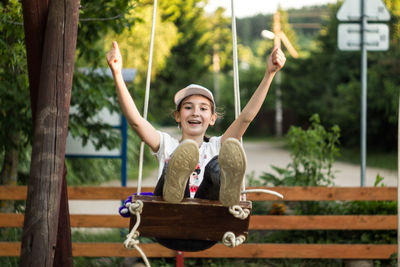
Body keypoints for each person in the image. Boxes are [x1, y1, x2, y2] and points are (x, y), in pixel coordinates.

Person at [106, 41, 286, 251]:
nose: (195, 113)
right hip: (168, 225)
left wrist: (269, 75)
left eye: (203, 108)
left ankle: (227, 189)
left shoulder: (219, 146)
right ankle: (175, 186)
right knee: (174, 164)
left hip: (208, 226)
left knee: (217, 165)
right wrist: (118, 75)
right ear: (177, 116)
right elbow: (136, 121)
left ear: (212, 118)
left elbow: (245, 118)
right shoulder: (166, 144)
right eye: (188, 107)